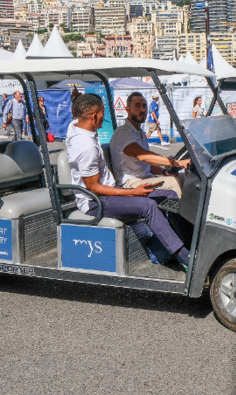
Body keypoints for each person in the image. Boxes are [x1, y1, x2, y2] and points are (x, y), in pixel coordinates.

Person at [66, 94, 191, 268]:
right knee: (148, 206)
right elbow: (93, 188)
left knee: (169, 195)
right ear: (94, 116)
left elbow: (77, 118)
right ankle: (184, 256)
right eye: (102, 112)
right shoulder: (85, 146)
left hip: (108, 194)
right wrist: (132, 192)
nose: (104, 116)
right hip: (95, 203)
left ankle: (173, 245)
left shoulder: (79, 128)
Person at [110, 92, 190, 197]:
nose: (142, 110)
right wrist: (175, 163)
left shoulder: (140, 133)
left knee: (187, 178)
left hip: (146, 178)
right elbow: (142, 156)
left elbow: (147, 165)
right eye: (137, 106)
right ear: (127, 109)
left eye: (144, 106)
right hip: (131, 183)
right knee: (172, 182)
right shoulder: (123, 133)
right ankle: (179, 213)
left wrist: (164, 172)